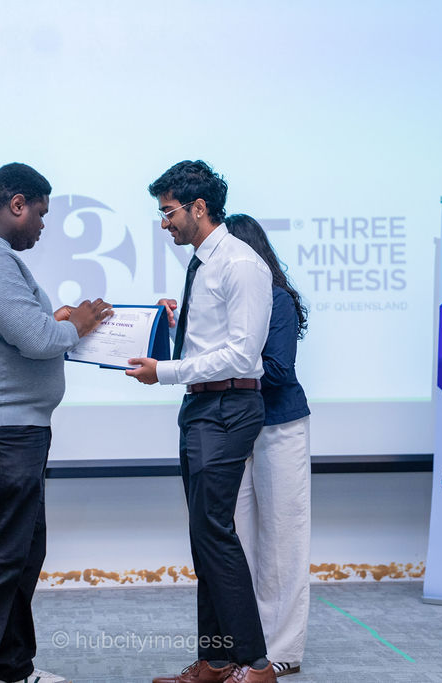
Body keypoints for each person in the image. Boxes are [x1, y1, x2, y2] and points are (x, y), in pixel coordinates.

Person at [0, 162, 112, 683]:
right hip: (0, 435)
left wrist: (55, 323)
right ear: (16, 205)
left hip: (1, 432)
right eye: (41, 215)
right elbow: (36, 340)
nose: (42, 226)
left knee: (18, 557)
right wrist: (76, 324)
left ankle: (10, 669)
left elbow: (12, 333)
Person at [126, 160, 276, 683]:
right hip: (201, 408)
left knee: (213, 532)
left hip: (228, 407)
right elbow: (213, 342)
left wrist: (165, 372)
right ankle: (215, 661)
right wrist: (174, 327)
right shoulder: (201, 263)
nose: (163, 223)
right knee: (204, 537)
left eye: (168, 212)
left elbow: (241, 356)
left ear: (199, 207)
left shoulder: (240, 264)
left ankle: (256, 665)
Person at [224, 214, 311, 678]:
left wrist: (224, 364)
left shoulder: (277, 299)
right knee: (234, 540)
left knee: (282, 542)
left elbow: (277, 370)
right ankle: (246, 647)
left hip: (279, 425)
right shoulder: (223, 299)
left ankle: (282, 652)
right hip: (233, 428)